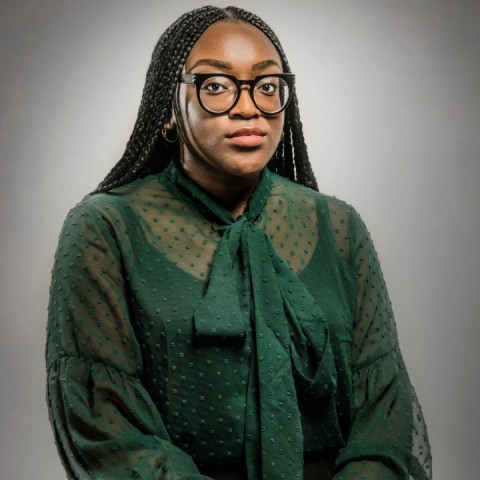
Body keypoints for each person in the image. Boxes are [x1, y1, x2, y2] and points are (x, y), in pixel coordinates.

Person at [46, 6, 431, 480]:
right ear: (169, 106)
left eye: (266, 86)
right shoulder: (104, 228)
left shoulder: (339, 226)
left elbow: (383, 413)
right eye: (216, 86)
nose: (248, 107)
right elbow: (106, 426)